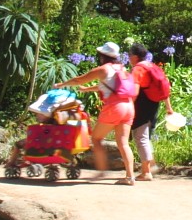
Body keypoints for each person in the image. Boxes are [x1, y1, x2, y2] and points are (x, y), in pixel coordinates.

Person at [53, 41, 138, 185]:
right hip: (129, 106)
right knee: (123, 142)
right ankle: (130, 177)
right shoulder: (122, 68)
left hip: (114, 107)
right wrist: (85, 89)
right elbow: (105, 86)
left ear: (103, 55)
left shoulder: (103, 69)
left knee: (96, 139)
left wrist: (61, 84)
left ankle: (102, 171)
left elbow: (79, 79)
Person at [127, 43, 174, 181]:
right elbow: (164, 89)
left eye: (130, 55)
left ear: (135, 57)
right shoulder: (152, 66)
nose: (129, 58)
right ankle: (151, 165)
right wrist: (168, 107)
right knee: (145, 136)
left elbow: (135, 92)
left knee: (140, 137)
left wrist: (129, 106)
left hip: (141, 105)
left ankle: (146, 172)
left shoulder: (138, 69)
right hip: (154, 105)